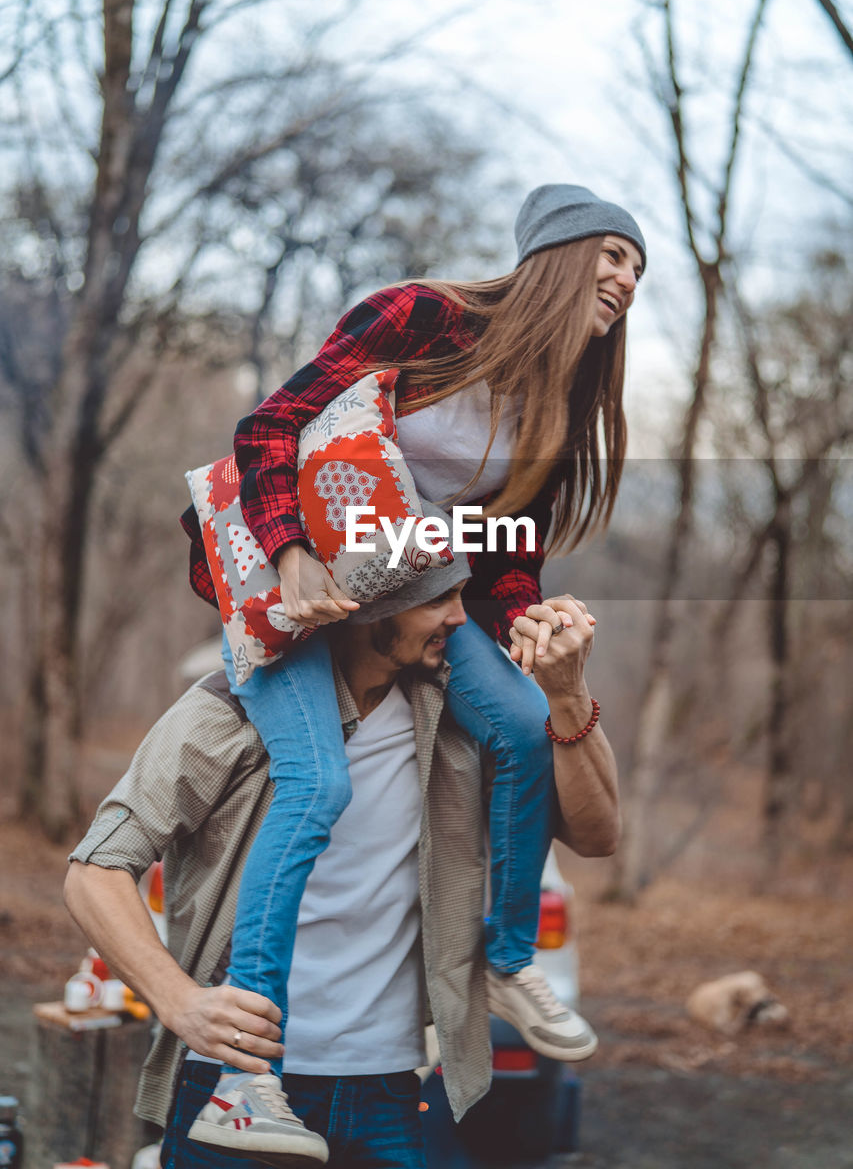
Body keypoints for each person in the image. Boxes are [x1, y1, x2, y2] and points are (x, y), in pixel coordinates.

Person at [178, 183, 645, 1151]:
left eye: (636, 268)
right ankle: (243, 1075)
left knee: (518, 723)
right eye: (610, 255)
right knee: (315, 781)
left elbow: (505, 559)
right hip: (304, 572)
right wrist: (291, 549)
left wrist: (530, 626)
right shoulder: (423, 319)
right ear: (555, 257)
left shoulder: (554, 406)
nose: (624, 279)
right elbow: (270, 425)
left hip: (422, 593)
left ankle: (507, 958)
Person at [65, 551, 620, 1169]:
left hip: (387, 1091)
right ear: (365, 604)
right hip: (234, 1087)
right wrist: (178, 1001)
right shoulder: (230, 710)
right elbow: (96, 869)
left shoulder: (455, 722)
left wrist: (567, 696)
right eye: (438, 599)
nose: (461, 620)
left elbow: (596, 835)